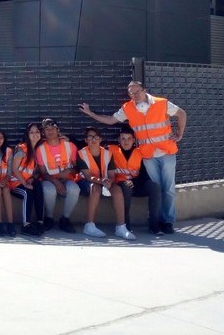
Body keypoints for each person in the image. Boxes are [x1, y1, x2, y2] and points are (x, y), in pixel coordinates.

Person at [79, 81, 186, 234]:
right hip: (148, 155)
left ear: (144, 90)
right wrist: (91, 113)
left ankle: (167, 221)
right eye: (131, 93)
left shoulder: (161, 103)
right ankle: (156, 221)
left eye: (137, 91)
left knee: (168, 189)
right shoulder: (128, 108)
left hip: (166, 152)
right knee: (157, 188)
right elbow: (110, 120)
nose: (135, 95)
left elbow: (182, 114)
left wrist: (180, 133)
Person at [77, 127, 135, 240]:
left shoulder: (108, 153)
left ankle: (121, 227)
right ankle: (89, 225)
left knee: (117, 189)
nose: (94, 139)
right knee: (95, 188)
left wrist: (109, 181)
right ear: (86, 140)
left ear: (100, 139)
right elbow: (88, 176)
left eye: (96, 137)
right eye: (90, 137)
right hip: (86, 182)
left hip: (104, 181)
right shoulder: (81, 154)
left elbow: (111, 174)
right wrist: (102, 181)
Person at [109, 126, 162, 234]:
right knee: (126, 187)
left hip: (137, 183)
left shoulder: (139, 152)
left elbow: (144, 174)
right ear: (119, 139)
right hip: (121, 184)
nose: (126, 141)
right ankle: (125, 225)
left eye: (129, 138)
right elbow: (93, 148)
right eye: (123, 138)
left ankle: (154, 226)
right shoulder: (111, 150)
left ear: (134, 140)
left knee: (155, 187)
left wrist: (134, 182)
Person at [36, 118, 79, 233]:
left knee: (74, 189)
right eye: (47, 129)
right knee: (49, 190)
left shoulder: (70, 146)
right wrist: (55, 182)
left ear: (58, 130)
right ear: (43, 133)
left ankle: (65, 219)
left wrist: (69, 170)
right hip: (49, 180)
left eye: (53, 128)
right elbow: (43, 173)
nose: (50, 131)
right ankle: (49, 218)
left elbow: (77, 168)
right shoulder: (40, 149)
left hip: (67, 179)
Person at [9, 123, 45, 236]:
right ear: (27, 135)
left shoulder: (39, 150)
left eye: (37, 132)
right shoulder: (22, 148)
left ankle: (40, 222)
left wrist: (32, 178)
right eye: (31, 132)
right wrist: (25, 183)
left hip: (26, 181)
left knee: (38, 187)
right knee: (27, 193)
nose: (35, 134)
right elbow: (14, 169)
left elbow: (35, 171)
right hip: (15, 183)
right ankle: (26, 225)